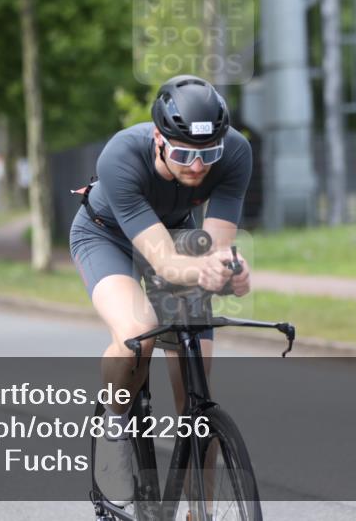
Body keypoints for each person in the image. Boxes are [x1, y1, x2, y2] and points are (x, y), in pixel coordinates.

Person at [69, 75, 252, 503]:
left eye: (208, 154)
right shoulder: (121, 156)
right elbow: (165, 262)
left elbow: (217, 247)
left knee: (196, 394)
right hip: (107, 236)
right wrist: (204, 270)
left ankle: (198, 511)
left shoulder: (236, 152)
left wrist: (232, 270)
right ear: (158, 139)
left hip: (177, 236)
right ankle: (114, 429)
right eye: (183, 154)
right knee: (138, 333)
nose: (197, 167)